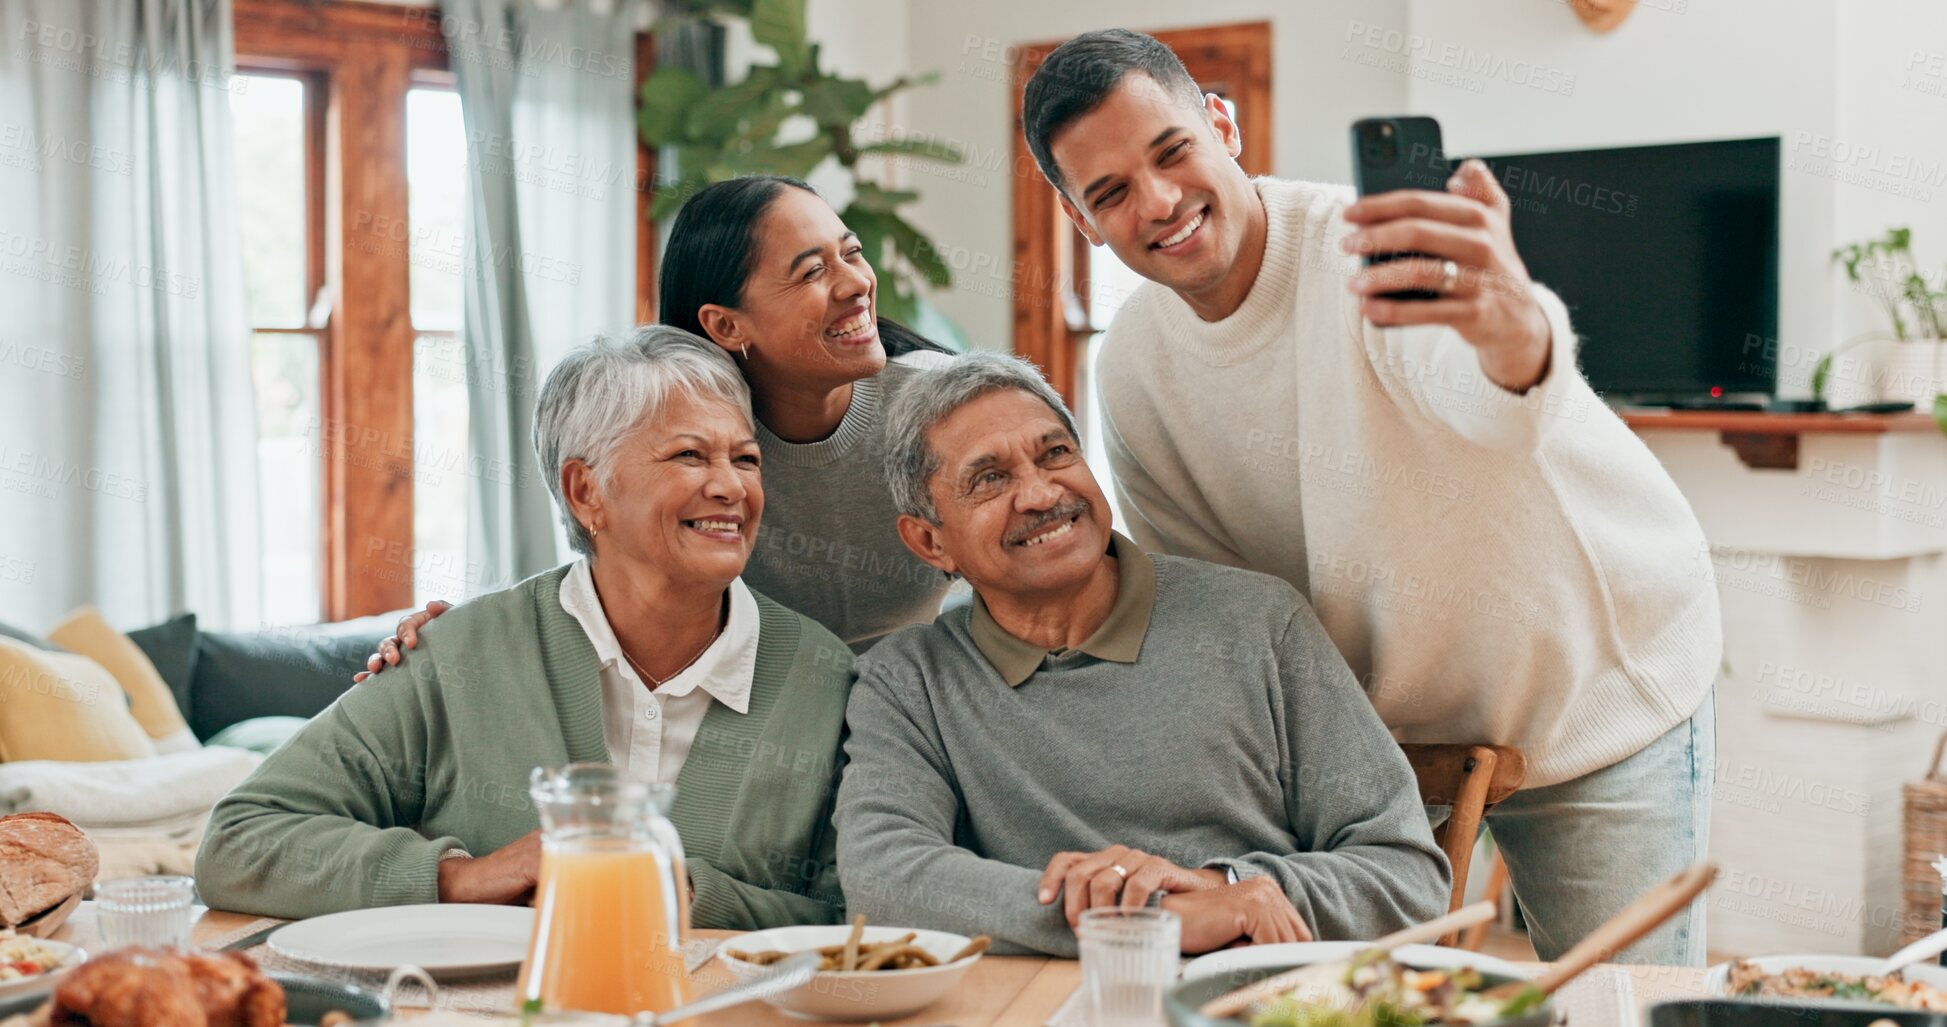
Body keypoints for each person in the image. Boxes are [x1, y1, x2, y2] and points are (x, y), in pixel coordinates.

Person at [1021, 29, 1721, 963]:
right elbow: (1218, 611)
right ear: (1079, 220)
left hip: (1593, 684)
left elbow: (1492, 401)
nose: (1156, 202)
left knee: (1619, 1009)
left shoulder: (1370, 253)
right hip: (1380, 745)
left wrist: (1514, 333)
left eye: (1171, 152)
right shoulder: (1134, 370)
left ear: (1220, 125)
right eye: (1108, 192)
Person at [197, 327, 853, 929]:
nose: (729, 486)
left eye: (744, 459)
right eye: (689, 455)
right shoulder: (459, 655)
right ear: (584, 491)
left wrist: (682, 890)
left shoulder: (825, 679)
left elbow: (859, 907)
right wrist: (460, 877)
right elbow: (240, 840)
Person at [833, 353, 1449, 958]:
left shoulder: (1259, 622)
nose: (1041, 494)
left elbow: (1405, 875)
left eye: (1055, 454)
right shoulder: (907, 680)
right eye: (990, 478)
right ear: (931, 540)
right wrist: (1153, 920)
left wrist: (1228, 889)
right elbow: (885, 875)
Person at [358, 177, 957, 669]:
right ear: (726, 327)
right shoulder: (688, 446)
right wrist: (461, 641)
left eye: (851, 253)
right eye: (810, 272)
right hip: (753, 727)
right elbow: (618, 569)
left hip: (914, 722)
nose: (857, 283)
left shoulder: (944, 407)